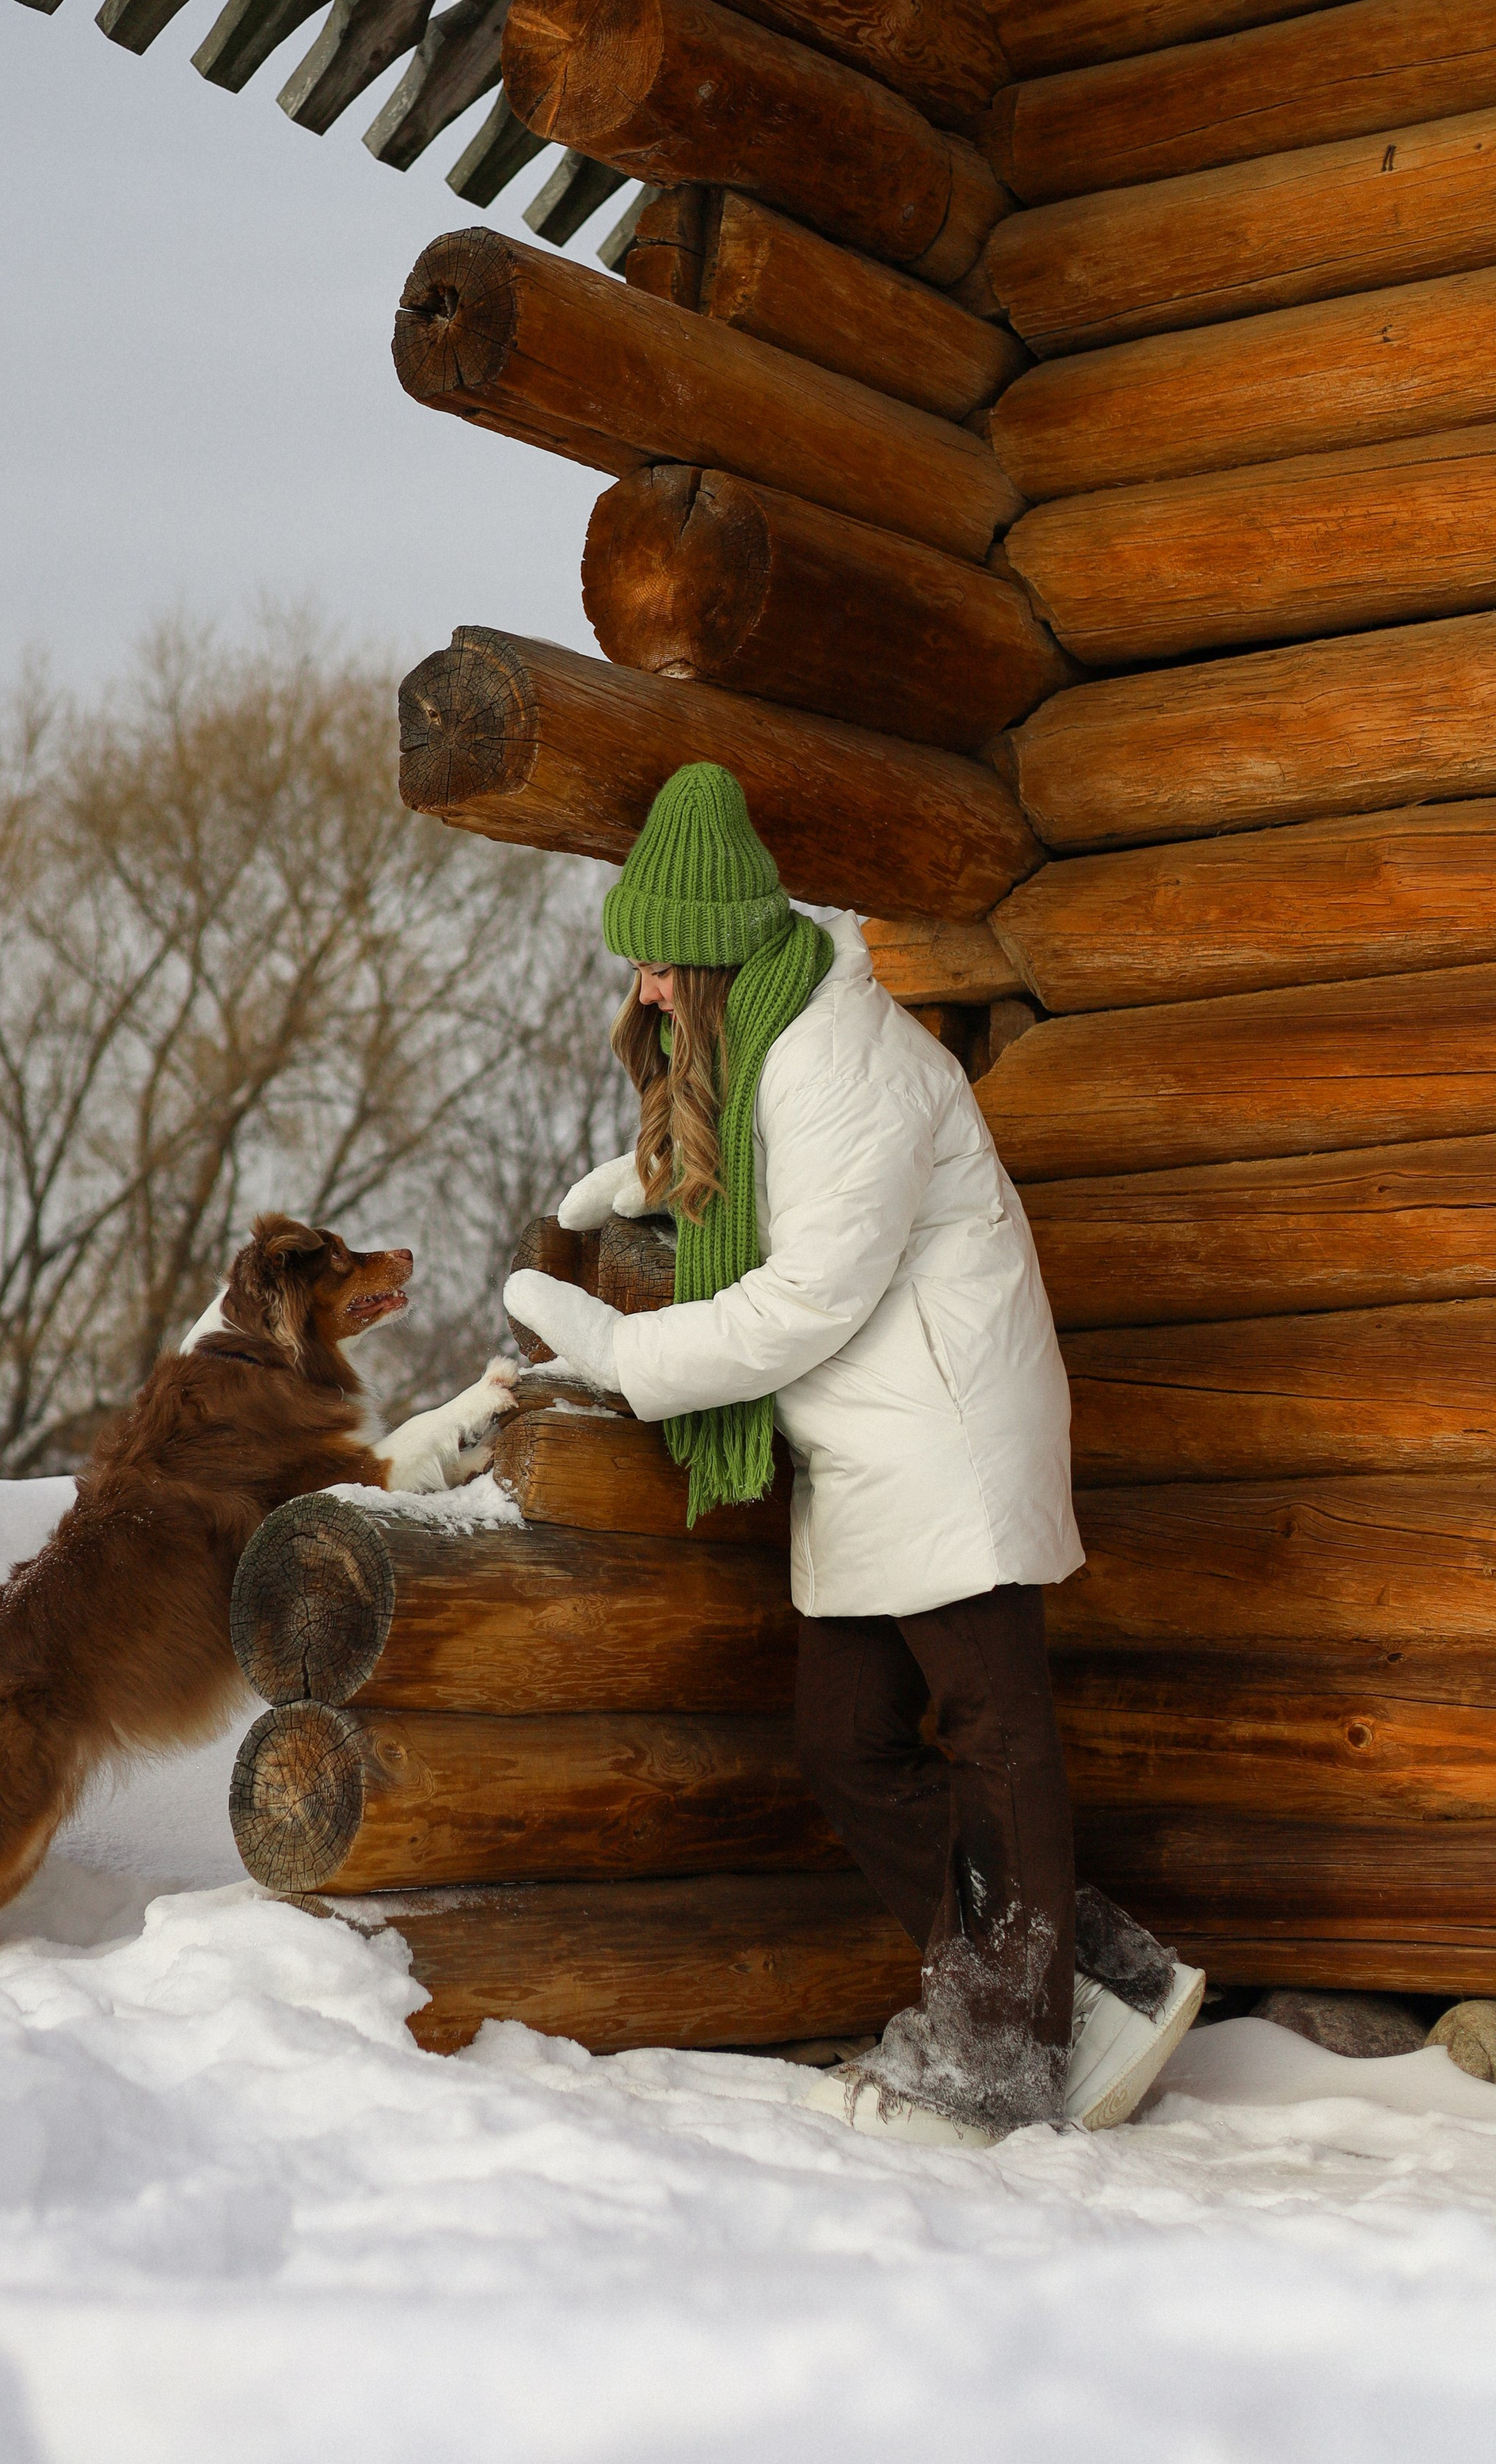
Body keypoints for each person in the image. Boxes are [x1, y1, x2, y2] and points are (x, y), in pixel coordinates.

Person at [504, 763, 1203, 2146]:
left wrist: (616, 1348)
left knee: (994, 1729)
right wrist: (630, 1185)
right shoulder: (769, 1038)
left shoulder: (840, 1060)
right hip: (870, 1442)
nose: (642, 990)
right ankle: (1097, 1971)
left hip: (942, 1431)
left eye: (655, 966)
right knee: (847, 1740)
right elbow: (753, 1178)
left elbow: (805, 1293)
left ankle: (1005, 2044)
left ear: (712, 962)